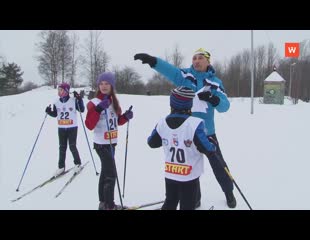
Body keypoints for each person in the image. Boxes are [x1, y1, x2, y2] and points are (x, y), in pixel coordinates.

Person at [134, 48, 236, 208]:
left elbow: (225, 106)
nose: (196, 61)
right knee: (189, 166)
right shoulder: (185, 76)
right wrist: (153, 61)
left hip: (207, 132)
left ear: (208, 61)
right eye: (194, 58)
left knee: (219, 164)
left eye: (200, 58)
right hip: (186, 133)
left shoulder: (216, 82)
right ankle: (195, 197)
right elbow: (169, 70)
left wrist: (213, 98)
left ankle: (228, 191)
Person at [147, 87, 216, 210]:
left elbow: (152, 142)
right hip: (189, 176)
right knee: (187, 204)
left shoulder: (162, 122)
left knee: (170, 201)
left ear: (172, 103)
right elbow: (207, 148)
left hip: (171, 173)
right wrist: (212, 144)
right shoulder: (195, 123)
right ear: (190, 104)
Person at [85, 72, 133, 210]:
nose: (104, 86)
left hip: (112, 142)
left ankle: (103, 202)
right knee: (111, 174)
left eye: (107, 83)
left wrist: (126, 117)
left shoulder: (113, 102)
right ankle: (109, 205)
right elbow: (89, 125)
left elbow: (117, 121)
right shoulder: (93, 103)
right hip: (101, 144)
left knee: (106, 172)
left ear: (112, 86)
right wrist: (99, 109)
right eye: (101, 84)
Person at [45, 83, 84, 176]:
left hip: (72, 127)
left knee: (72, 146)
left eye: (61, 90)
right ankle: (61, 167)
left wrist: (79, 99)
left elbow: (82, 109)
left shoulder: (73, 100)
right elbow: (55, 114)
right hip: (61, 128)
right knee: (62, 147)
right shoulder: (56, 102)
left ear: (67, 91)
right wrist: (49, 112)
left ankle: (77, 163)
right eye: (58, 90)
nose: (59, 92)